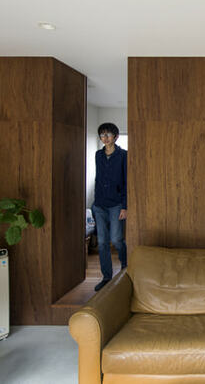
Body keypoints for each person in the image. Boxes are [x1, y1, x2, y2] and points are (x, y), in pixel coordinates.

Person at [92, 123, 127, 292]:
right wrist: (95, 202)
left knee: (116, 239)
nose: (105, 138)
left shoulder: (123, 155)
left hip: (116, 204)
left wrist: (125, 206)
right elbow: (98, 179)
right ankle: (106, 277)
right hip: (99, 204)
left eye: (108, 135)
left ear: (116, 137)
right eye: (102, 135)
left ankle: (126, 268)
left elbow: (127, 181)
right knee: (102, 242)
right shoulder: (98, 155)